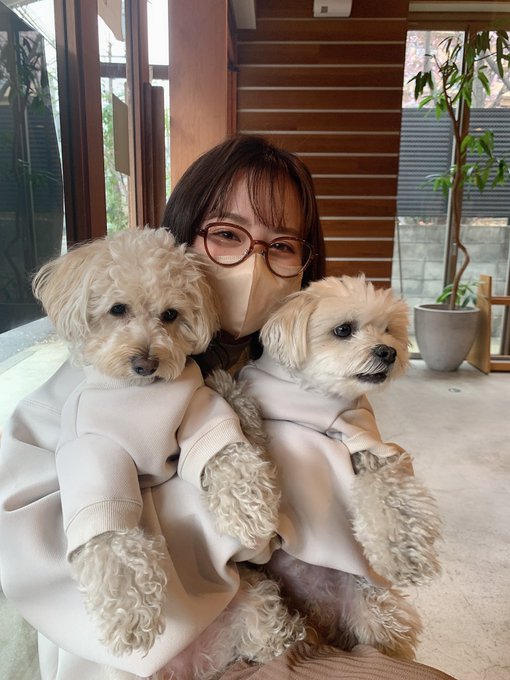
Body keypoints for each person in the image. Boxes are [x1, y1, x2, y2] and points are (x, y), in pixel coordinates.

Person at [0, 134, 457, 680]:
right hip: (148, 651)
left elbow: (354, 533)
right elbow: (38, 547)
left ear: (305, 263)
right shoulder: (84, 392)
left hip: (294, 627)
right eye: (226, 234)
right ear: (183, 235)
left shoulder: (316, 372)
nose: (253, 264)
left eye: (281, 245)